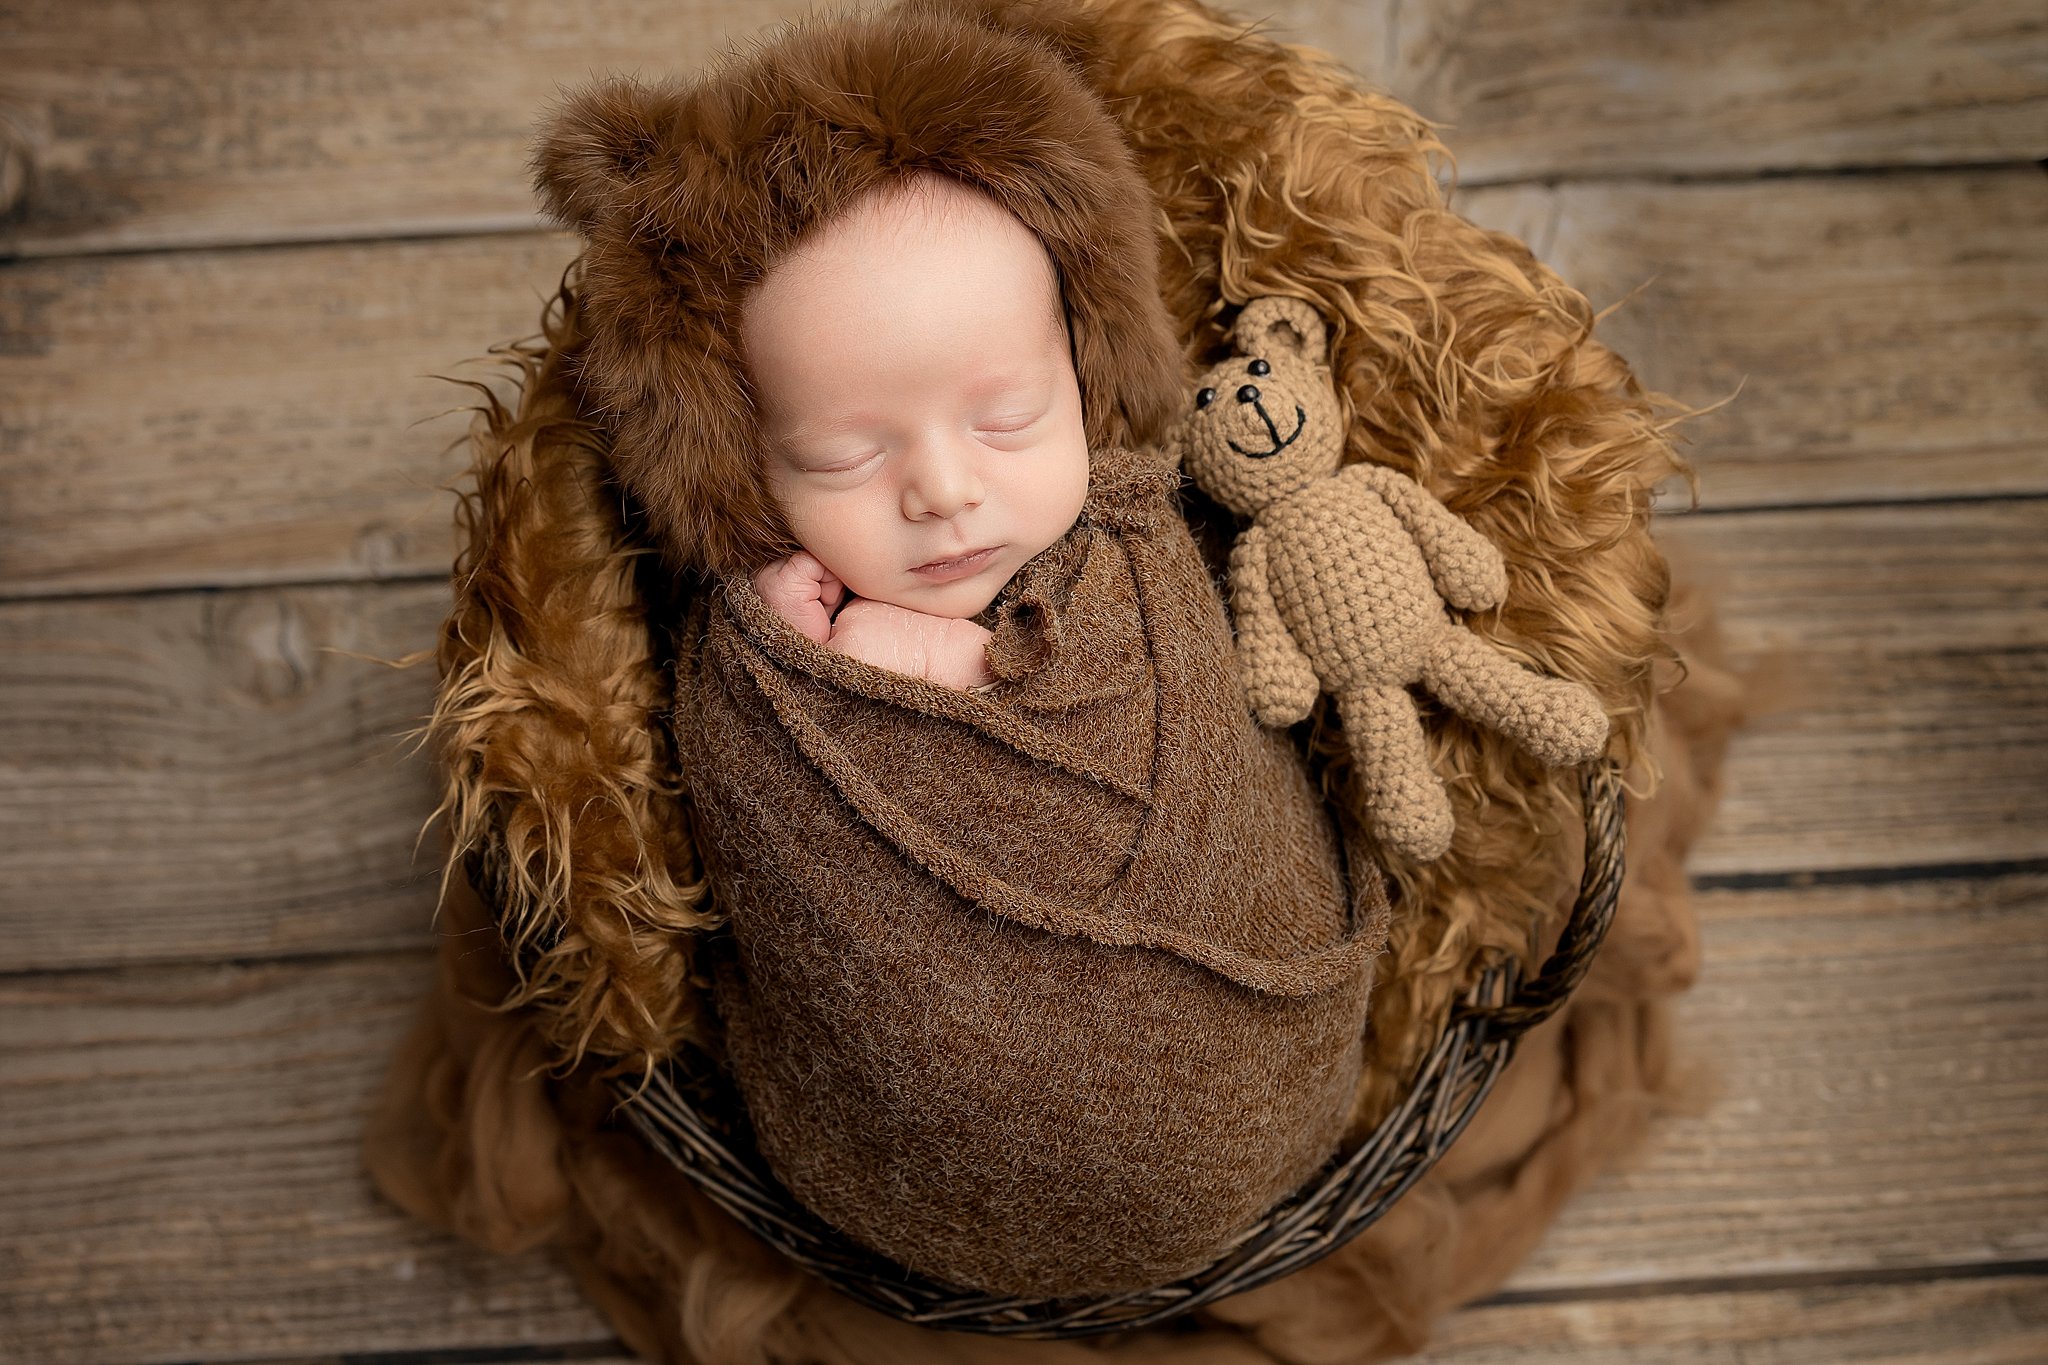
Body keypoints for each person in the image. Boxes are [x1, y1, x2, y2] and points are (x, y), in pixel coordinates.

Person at [742, 170, 1088, 691]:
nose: (946, 494)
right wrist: (791, 661)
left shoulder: (1131, 542)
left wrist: (958, 664)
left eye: (1006, 421)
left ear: (1084, 383)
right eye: (846, 458)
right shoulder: (770, 612)